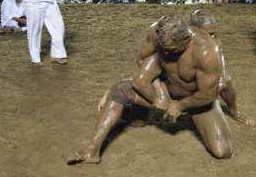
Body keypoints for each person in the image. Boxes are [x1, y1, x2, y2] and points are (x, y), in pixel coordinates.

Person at [66, 15, 234, 164]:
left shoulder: (207, 50)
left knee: (222, 151)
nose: (166, 54)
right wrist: (160, 92)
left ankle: (165, 108)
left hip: (195, 100)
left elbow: (207, 94)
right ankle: (91, 149)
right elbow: (142, 59)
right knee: (121, 93)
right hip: (166, 90)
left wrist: (180, 106)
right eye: (163, 49)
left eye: (172, 50)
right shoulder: (157, 31)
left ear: (186, 39)